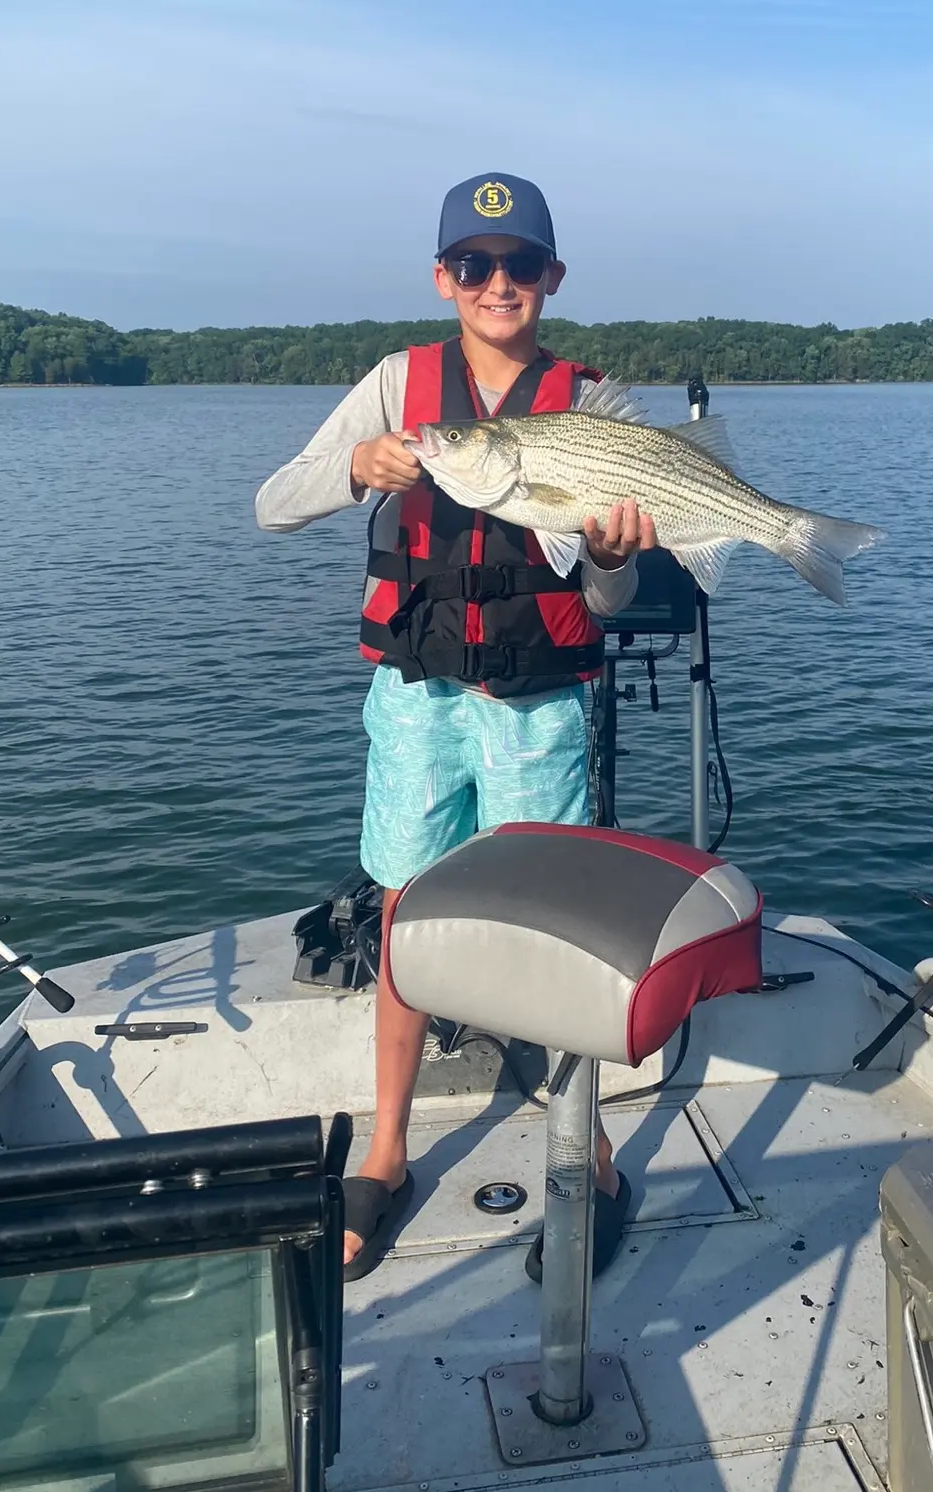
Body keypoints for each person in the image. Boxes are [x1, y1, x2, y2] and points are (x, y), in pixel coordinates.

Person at [255, 172, 658, 1282]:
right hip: (417, 699)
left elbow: (612, 602)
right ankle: (384, 1149)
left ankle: (597, 1163)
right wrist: (355, 466)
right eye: (473, 266)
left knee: (552, 935)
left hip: (540, 707)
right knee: (405, 911)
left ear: (550, 280)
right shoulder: (398, 385)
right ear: (444, 278)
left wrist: (616, 559)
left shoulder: (591, 401)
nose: (496, 284)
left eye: (518, 265)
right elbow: (272, 502)